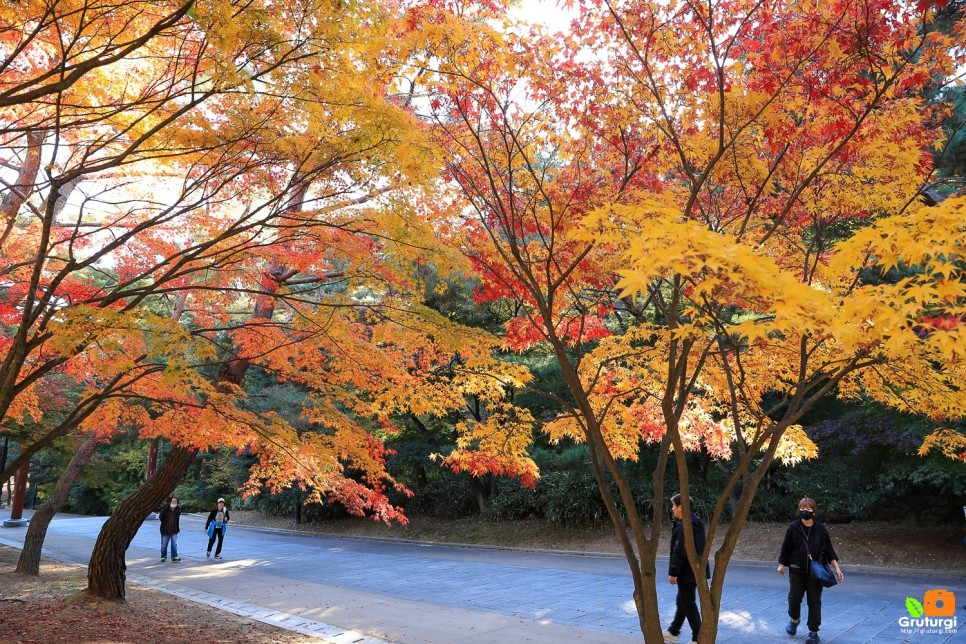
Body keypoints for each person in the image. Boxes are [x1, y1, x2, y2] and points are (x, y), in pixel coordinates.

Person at [777, 498, 844, 644]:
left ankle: (813, 632)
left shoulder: (821, 530)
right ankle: (794, 619)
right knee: (794, 598)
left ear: (814, 511)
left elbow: (829, 551)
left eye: (807, 508)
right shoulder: (793, 528)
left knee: (814, 602)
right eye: (802, 507)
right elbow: (786, 548)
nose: (804, 511)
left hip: (816, 572)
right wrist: (782, 564)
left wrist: (837, 569)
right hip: (796, 570)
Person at [664, 494, 709, 644]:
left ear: (681, 507)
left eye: (674, 506)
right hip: (697, 570)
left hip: (686, 572)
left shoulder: (684, 527)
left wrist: (673, 572)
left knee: (688, 604)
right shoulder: (697, 523)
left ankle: (698, 637)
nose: (672, 509)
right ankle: (673, 631)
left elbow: (679, 551)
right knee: (683, 601)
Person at [158, 496, 181, 562]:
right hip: (165, 530)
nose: (174, 502)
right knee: (164, 545)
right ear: (170, 502)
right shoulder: (165, 509)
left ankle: (174, 556)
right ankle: (163, 556)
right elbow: (160, 517)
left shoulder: (178, 510)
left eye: (175, 501)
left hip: (174, 530)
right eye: (173, 501)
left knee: (174, 544)